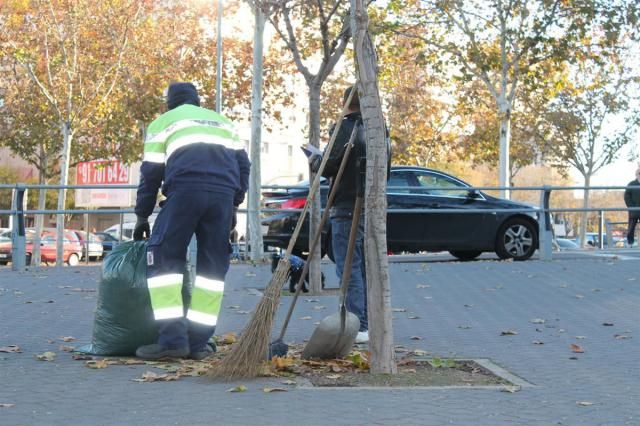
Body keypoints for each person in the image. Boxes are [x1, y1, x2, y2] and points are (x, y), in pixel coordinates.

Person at [133, 82, 250, 360]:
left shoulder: (163, 123)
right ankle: (199, 344)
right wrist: (234, 204)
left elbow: (151, 173)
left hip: (184, 192)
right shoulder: (223, 122)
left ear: (169, 103)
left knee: (163, 259)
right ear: (198, 102)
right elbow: (243, 166)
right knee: (212, 272)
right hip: (222, 198)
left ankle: (173, 342)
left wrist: (142, 214)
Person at [311, 85, 390, 344]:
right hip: (372, 206)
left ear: (346, 103)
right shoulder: (380, 130)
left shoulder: (344, 128)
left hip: (346, 206)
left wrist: (315, 161)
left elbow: (329, 164)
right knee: (365, 267)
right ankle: (368, 322)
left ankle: (358, 323)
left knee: (349, 268)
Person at [624, 168, 640, 247]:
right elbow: (627, 197)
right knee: (631, 227)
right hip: (633, 210)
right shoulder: (631, 184)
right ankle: (630, 242)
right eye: (639, 173)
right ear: (636, 175)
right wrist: (631, 207)